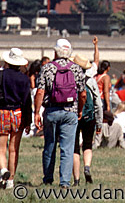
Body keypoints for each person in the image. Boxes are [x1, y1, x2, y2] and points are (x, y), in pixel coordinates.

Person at [34, 38, 86, 188]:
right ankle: (64, 182)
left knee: (49, 145)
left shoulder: (47, 68)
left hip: (51, 110)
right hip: (70, 111)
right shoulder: (76, 69)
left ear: (55, 51)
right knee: (67, 148)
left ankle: (48, 179)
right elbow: (83, 94)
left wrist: (37, 112)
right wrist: (80, 110)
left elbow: (40, 91)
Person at [0, 48, 31, 190]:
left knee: (1, 148)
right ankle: (11, 180)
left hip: (2, 112)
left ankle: (2, 170)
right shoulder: (24, 79)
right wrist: (28, 121)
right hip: (17, 113)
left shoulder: (1, 75)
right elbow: (26, 101)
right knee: (14, 149)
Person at [72, 53, 103, 186]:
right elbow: (98, 103)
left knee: (74, 148)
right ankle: (87, 167)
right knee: (87, 145)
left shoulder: (70, 80)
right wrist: (99, 123)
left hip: (73, 116)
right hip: (89, 117)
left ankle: (76, 180)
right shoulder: (90, 81)